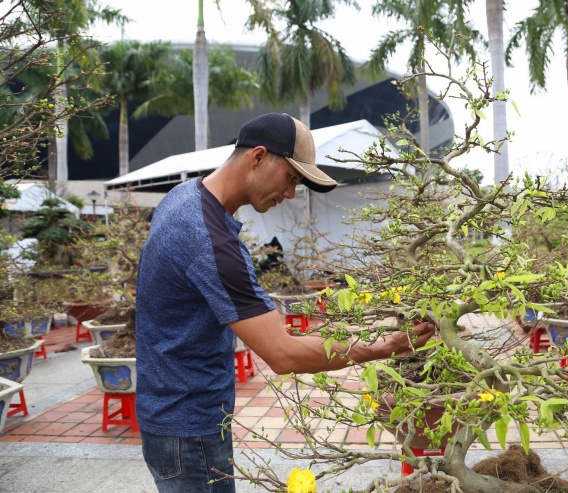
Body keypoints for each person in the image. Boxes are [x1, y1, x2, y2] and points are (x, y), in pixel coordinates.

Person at [135, 112, 436, 493]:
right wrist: (386, 347)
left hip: (170, 412)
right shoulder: (210, 241)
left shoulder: (184, 196)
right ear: (258, 157)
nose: (291, 194)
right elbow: (284, 354)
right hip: (188, 427)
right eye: (291, 178)